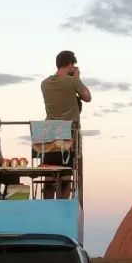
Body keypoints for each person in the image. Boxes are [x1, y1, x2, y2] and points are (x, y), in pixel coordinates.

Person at [39, 51, 92, 199]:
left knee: (49, 176)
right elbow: (87, 97)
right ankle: (63, 205)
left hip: (49, 134)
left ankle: (47, 205)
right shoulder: (72, 81)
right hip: (68, 134)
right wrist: (77, 78)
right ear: (70, 64)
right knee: (66, 177)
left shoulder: (44, 84)